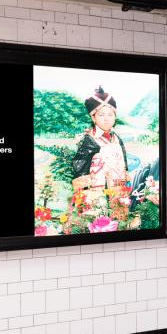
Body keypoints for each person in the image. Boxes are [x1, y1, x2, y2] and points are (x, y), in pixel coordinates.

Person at [67, 86, 132, 232]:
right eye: (102, 115)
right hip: (97, 191)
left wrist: (125, 174)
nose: (107, 118)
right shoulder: (89, 140)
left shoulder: (117, 138)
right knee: (97, 223)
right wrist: (83, 194)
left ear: (115, 116)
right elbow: (80, 167)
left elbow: (123, 161)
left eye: (110, 114)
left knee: (120, 224)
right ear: (93, 117)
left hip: (117, 189)